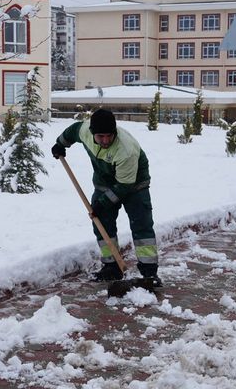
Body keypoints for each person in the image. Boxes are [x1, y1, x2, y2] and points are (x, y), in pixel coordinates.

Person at [51, 109, 161, 286]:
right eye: (100, 136)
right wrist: (60, 144)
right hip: (104, 181)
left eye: (109, 136)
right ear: (93, 133)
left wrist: (102, 203)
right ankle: (112, 267)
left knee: (141, 225)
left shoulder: (126, 150)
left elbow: (124, 186)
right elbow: (73, 131)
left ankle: (149, 272)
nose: (105, 140)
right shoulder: (85, 131)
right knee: (102, 222)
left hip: (134, 185)